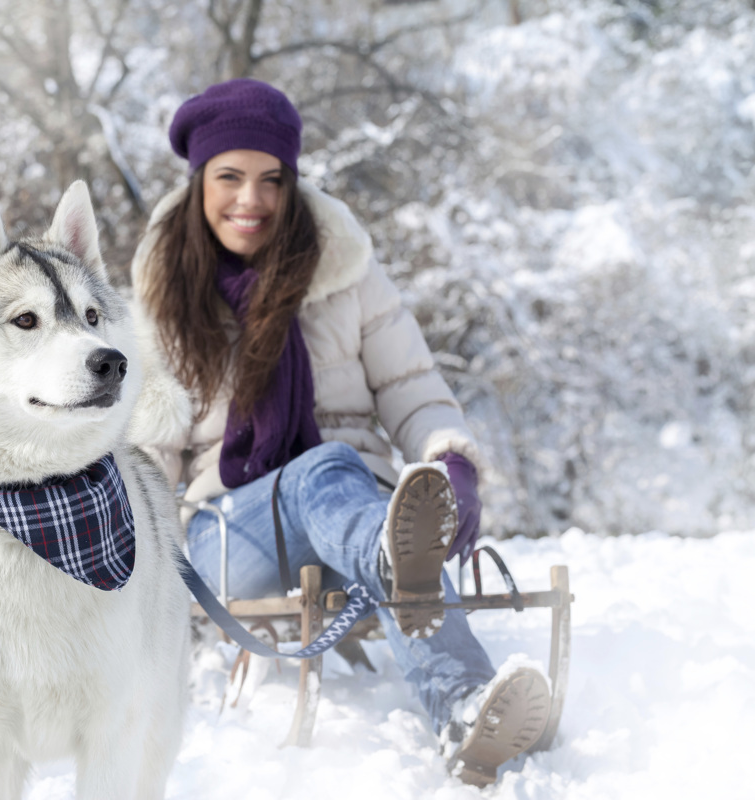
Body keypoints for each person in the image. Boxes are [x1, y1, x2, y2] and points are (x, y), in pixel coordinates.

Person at [130, 78, 553, 787]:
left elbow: (411, 388)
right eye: (230, 177)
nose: (252, 200)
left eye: (272, 179)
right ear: (200, 180)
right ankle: (396, 561)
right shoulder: (165, 299)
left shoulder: (347, 274)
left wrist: (451, 459)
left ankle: (466, 711)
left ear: (293, 185)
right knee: (332, 475)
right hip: (229, 539)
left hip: (353, 518)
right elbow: (144, 459)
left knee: (347, 493)